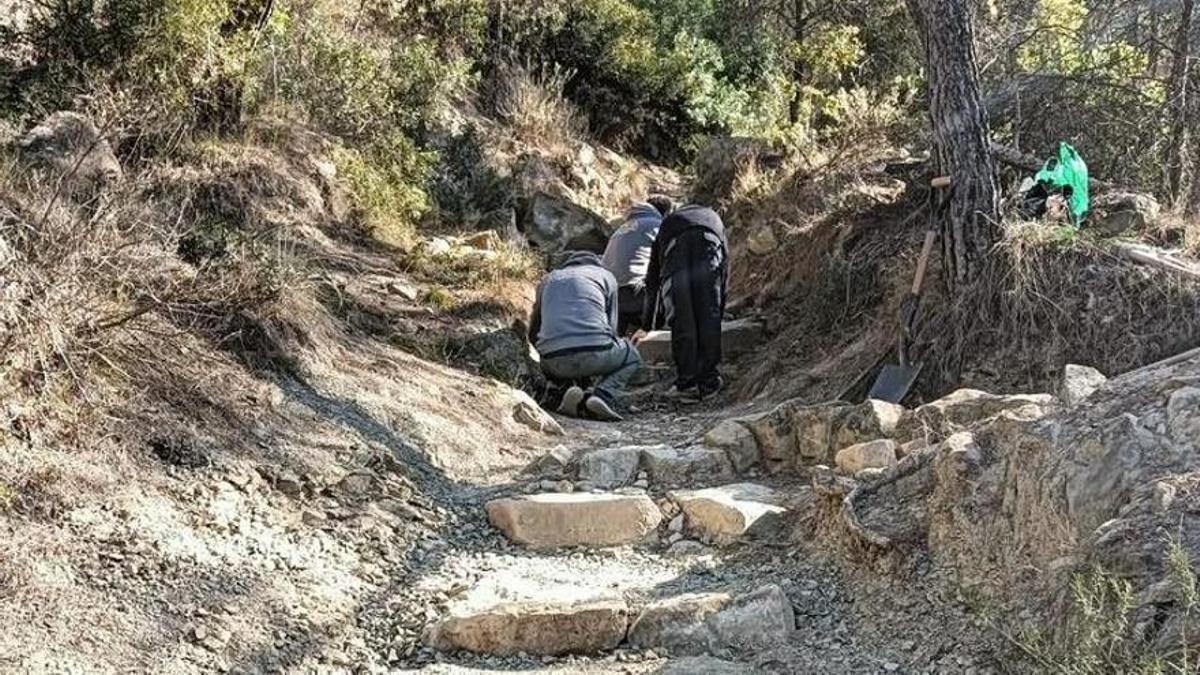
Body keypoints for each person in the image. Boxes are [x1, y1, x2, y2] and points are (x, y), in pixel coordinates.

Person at [528, 251, 642, 422]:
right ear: (596, 263)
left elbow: (534, 330)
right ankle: (603, 395)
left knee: (563, 349)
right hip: (595, 353)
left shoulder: (548, 279)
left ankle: (564, 391)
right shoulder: (605, 276)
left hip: (553, 361)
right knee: (633, 356)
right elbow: (612, 328)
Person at [637, 204, 728, 402]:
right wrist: (719, 310)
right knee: (708, 314)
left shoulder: (668, 223)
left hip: (675, 246)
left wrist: (646, 325)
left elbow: (652, 279)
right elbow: (724, 270)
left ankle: (687, 383)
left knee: (682, 316)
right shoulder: (713, 216)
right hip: (710, 240)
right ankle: (709, 381)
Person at [602, 196, 674, 335]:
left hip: (610, 298)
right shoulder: (658, 225)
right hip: (637, 295)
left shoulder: (622, 228)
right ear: (665, 214)